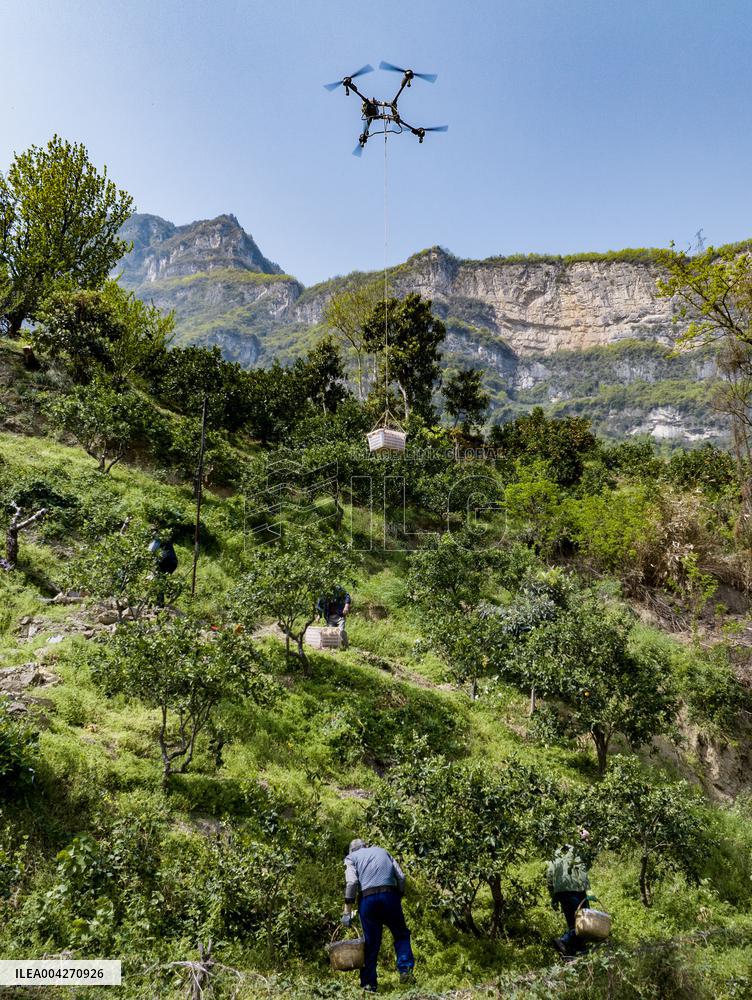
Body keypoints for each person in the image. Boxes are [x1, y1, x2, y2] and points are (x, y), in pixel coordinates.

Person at [341, 838, 414, 992]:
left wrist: (347, 912)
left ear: (351, 850)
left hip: (368, 900)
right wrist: (398, 895)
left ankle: (369, 984)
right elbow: (401, 877)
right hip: (390, 896)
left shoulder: (351, 858)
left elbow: (352, 883)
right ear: (366, 846)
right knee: (401, 935)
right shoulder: (383, 851)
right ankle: (406, 972)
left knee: (371, 943)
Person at [547, 828, 592, 958]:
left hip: (561, 892)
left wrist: (554, 896)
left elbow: (550, 876)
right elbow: (589, 861)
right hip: (575, 889)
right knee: (582, 922)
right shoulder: (578, 850)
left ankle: (573, 954)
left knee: (573, 922)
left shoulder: (555, 853)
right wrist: (587, 840)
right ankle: (564, 940)